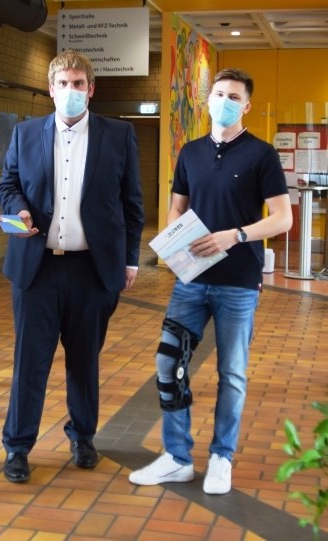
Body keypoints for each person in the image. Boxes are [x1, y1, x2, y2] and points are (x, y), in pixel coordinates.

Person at [129, 68, 292, 495]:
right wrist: (177, 241)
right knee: (168, 362)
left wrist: (234, 235)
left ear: (247, 106)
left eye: (234, 96)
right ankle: (177, 457)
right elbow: (176, 209)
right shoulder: (191, 152)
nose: (225, 101)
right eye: (219, 94)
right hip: (192, 280)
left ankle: (222, 457)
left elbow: (283, 218)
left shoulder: (262, 155)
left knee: (231, 372)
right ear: (207, 100)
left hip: (238, 282)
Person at [0, 49, 144, 483]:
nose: (70, 91)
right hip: (36, 269)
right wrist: (19, 209)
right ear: (51, 89)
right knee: (30, 361)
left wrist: (130, 259)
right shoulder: (25, 133)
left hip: (91, 270)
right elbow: (7, 183)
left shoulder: (118, 135)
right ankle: (18, 446)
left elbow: (132, 203)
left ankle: (83, 436)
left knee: (84, 361)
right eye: (63, 84)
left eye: (78, 84)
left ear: (91, 89)